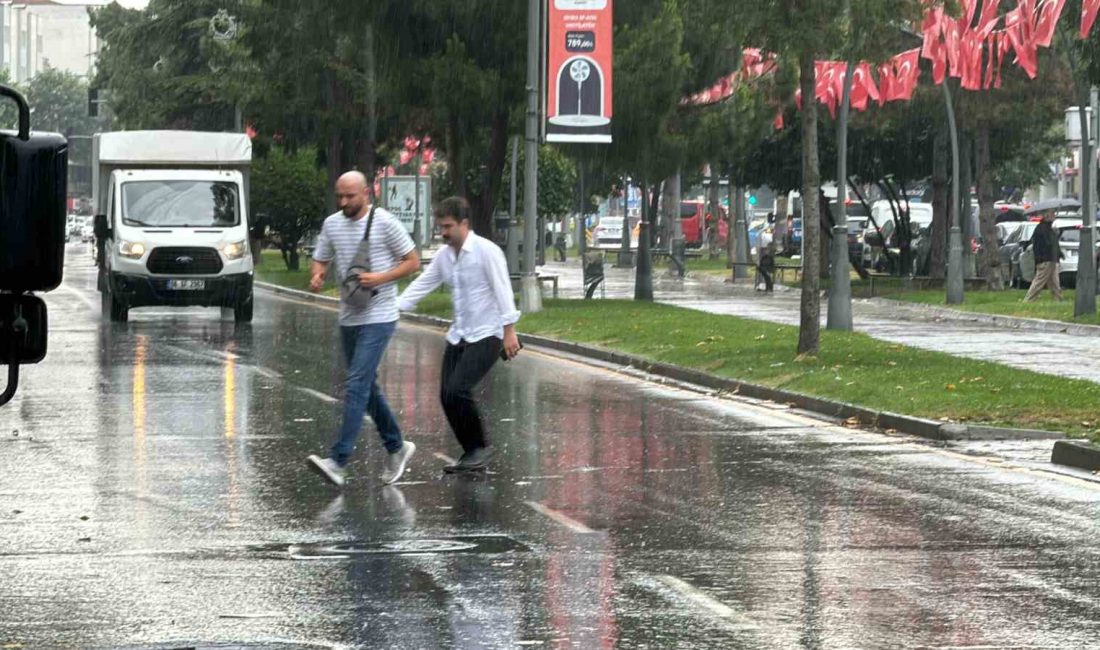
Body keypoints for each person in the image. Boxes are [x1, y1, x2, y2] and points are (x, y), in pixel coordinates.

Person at [306, 171, 421, 487]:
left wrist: (381, 278)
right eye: (339, 196)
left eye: (350, 196)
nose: (343, 202)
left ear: (366, 193)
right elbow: (321, 259)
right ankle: (397, 446)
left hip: (380, 315)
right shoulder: (332, 224)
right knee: (367, 388)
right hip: (349, 315)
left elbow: (413, 261)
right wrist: (317, 276)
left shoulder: (385, 222)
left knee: (356, 383)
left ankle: (338, 461)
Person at [398, 196, 522, 473]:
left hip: (487, 334)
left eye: (448, 226)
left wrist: (509, 331)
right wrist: (395, 308)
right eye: (440, 226)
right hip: (460, 334)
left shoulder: (486, 251)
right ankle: (472, 453)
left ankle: (479, 448)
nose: (443, 233)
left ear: (464, 223)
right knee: (446, 394)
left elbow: (503, 289)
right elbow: (423, 284)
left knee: (457, 389)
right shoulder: (444, 256)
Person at [1025, 210, 1063, 302]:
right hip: (1045, 259)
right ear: (1046, 216)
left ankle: (1057, 299)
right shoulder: (1042, 228)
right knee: (1039, 281)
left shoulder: (1048, 228)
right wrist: (1055, 235)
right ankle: (1029, 299)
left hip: (1052, 258)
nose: (1054, 216)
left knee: (1054, 282)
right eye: (1052, 214)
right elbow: (1049, 243)